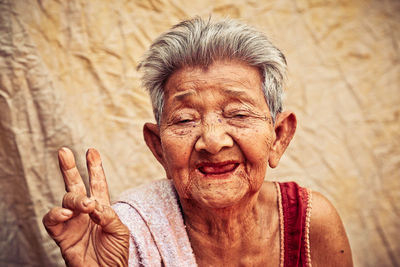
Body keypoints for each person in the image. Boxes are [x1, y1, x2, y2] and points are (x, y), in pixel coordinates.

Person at [43, 17, 353, 267]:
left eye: (238, 114)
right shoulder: (125, 235)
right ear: (158, 147)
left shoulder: (312, 223)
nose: (212, 141)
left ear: (279, 136)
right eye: (186, 119)